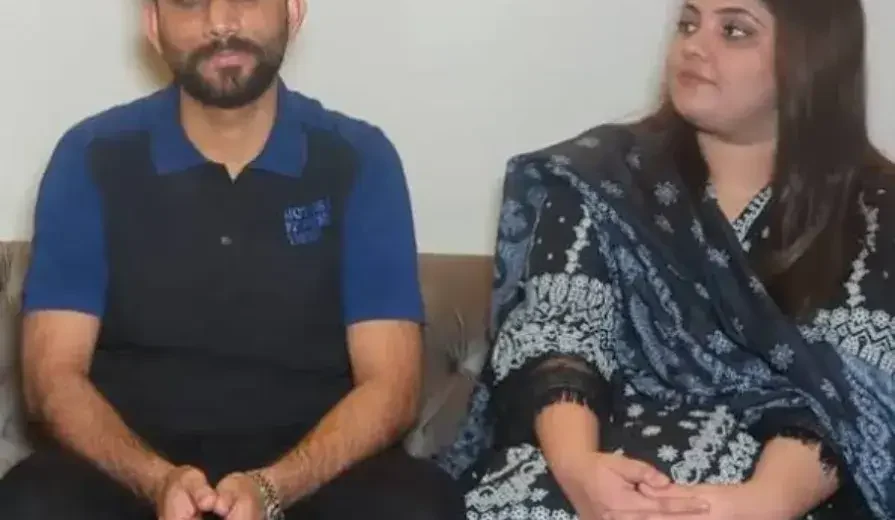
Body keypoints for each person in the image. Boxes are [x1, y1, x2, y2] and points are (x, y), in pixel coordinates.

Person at [0, 1, 465, 519]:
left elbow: (392, 385)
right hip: (131, 470)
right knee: (31, 503)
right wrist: (158, 481)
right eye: (189, 2)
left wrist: (272, 488)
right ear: (153, 28)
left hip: (310, 472)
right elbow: (54, 378)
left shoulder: (360, 159)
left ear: (293, 11)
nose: (221, 21)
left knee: (419, 507)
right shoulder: (89, 155)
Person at [436, 0, 895, 519]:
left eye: (735, 30)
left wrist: (759, 505)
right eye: (688, 23)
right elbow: (561, 335)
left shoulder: (873, 210)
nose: (695, 45)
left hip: (786, 487)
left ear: (814, 56)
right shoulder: (605, 177)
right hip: (592, 457)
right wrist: (580, 469)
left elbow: (851, 397)